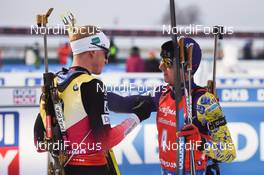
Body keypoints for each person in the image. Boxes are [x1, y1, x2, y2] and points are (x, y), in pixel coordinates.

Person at [108, 37, 236, 175]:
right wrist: (91, 90)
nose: (160, 66)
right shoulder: (161, 94)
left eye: (167, 63)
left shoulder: (204, 102)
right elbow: (121, 104)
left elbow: (229, 152)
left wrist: (200, 142)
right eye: (161, 61)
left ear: (186, 66)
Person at [34, 25, 151, 175]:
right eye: (105, 53)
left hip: (63, 168)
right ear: (92, 52)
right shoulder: (92, 85)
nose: (107, 60)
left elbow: (39, 143)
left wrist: (65, 144)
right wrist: (138, 116)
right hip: (92, 169)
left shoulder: (53, 83)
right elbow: (106, 140)